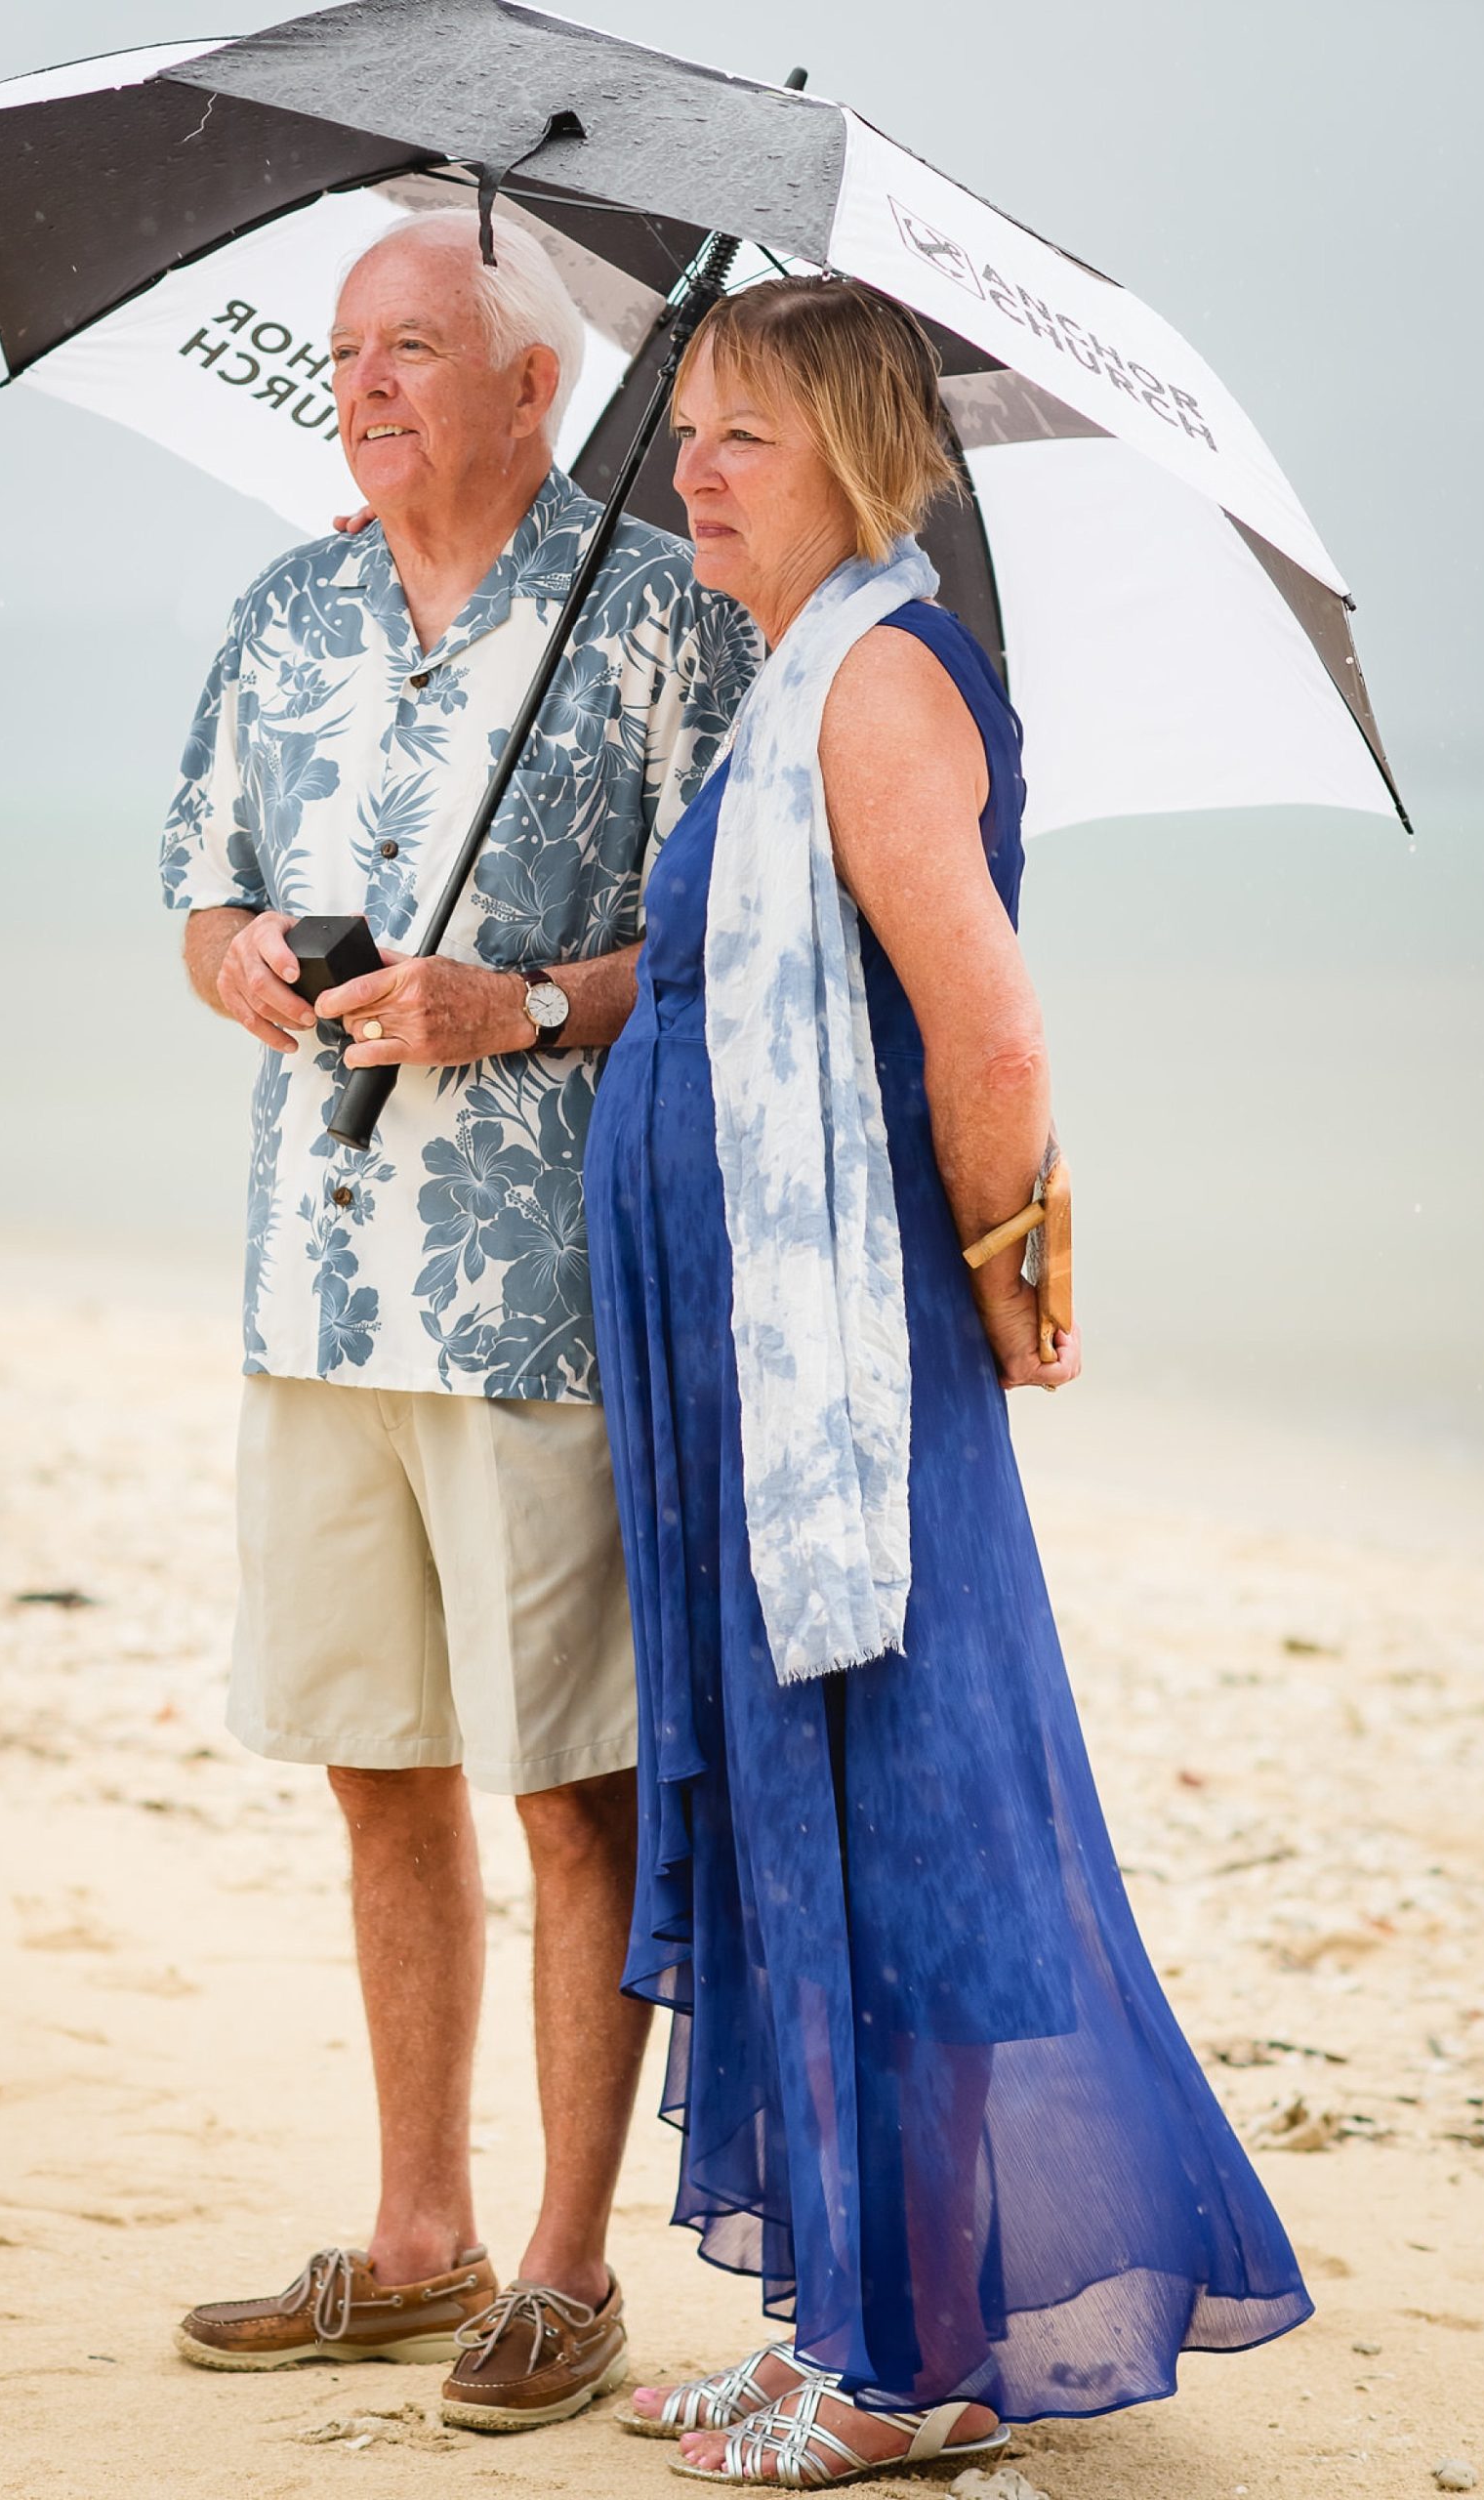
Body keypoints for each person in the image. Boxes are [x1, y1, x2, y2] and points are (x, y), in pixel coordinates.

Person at [583, 276, 1312, 2485]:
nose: (692, 473)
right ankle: (850, 2309)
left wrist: (1012, 1262)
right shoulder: (796, 669)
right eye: (689, 431)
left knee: (894, 1819)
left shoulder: (881, 684)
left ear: (865, 456)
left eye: (742, 439)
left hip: (846, 1371)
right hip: (756, 1362)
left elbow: (988, 1031)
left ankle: (925, 2356)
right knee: (813, 1815)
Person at [159, 206, 758, 2426]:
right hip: (311, 1287)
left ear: (533, 386)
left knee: (569, 1792)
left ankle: (571, 2265)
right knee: (373, 1768)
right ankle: (417, 2239)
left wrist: (517, 1000)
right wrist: (236, 965)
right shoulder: (287, 604)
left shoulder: (659, 617)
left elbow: (706, 947)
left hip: (539, 1308)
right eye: (346, 352)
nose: (370, 383)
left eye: (418, 347)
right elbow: (196, 884)